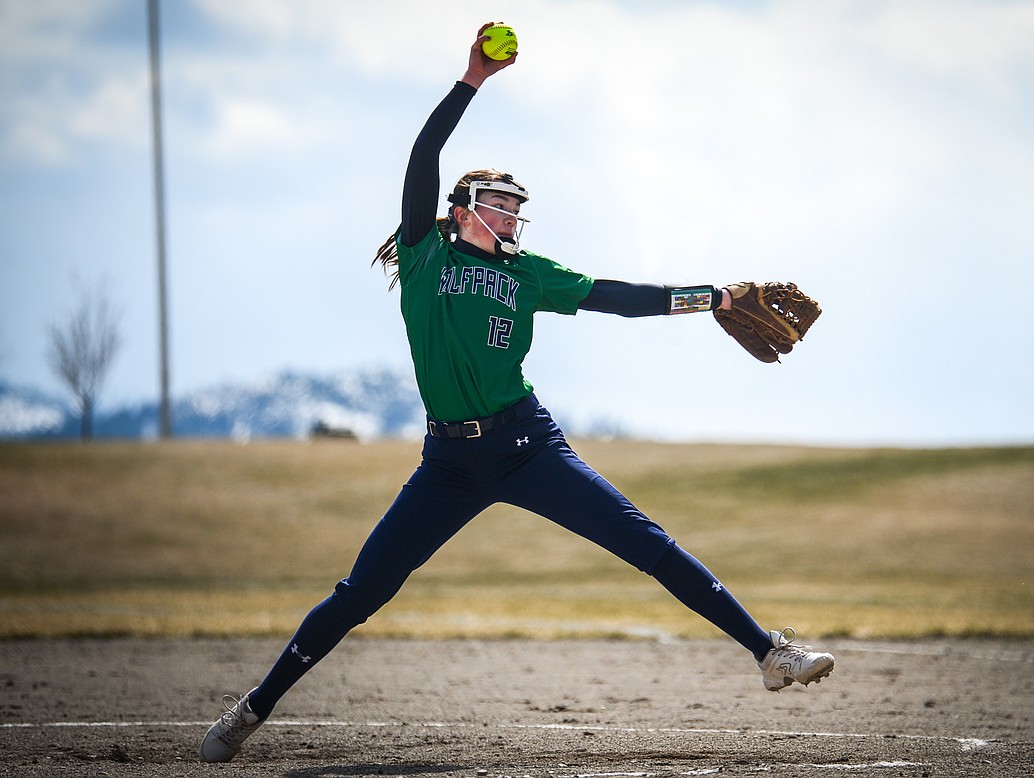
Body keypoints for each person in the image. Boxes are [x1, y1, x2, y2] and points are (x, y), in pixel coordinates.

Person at [199, 23, 834, 763]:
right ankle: (254, 708)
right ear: (464, 209)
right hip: (448, 462)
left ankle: (769, 651)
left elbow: (619, 297)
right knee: (361, 592)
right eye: (499, 206)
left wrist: (714, 297)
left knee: (646, 543)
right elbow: (422, 156)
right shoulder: (424, 254)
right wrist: (472, 78)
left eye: (515, 209)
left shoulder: (526, 273)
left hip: (527, 444)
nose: (512, 218)